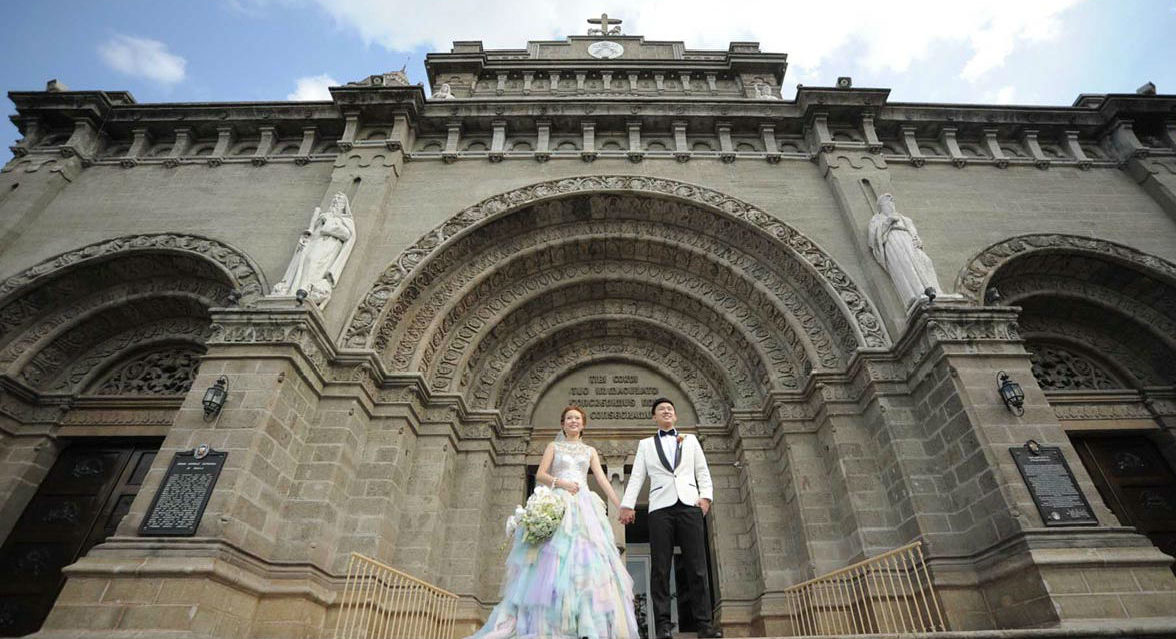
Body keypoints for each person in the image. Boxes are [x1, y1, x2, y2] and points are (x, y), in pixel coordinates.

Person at [468, 406, 639, 639]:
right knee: (553, 557)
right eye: (569, 418)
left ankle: (585, 623)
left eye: (577, 418)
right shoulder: (553, 446)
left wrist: (621, 505)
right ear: (562, 423)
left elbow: (601, 479)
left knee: (587, 559)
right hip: (559, 500)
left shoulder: (590, 451)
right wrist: (561, 483)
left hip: (585, 505)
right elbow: (541, 474)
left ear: (583, 424)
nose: (573, 421)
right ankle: (548, 623)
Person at [619, 398, 721, 639]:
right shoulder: (645, 445)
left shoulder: (691, 440)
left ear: (675, 416)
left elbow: (702, 470)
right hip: (660, 508)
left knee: (697, 567)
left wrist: (706, 497)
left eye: (669, 409)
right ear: (654, 417)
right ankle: (663, 627)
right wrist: (627, 505)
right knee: (661, 568)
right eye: (661, 409)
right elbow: (637, 476)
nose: (666, 411)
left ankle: (704, 625)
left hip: (689, 505)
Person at [272, 192, 356, 306]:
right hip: (314, 243)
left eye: (338, 201)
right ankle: (294, 289)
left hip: (327, 247)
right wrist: (306, 237)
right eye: (334, 201)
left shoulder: (345, 220)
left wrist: (328, 223)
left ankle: (305, 289)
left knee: (313, 260)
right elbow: (314, 232)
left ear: (343, 206)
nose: (335, 203)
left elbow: (347, 235)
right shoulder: (323, 216)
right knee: (303, 261)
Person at [866, 193, 944, 309]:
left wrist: (917, 240)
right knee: (905, 265)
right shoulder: (876, 219)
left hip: (907, 240)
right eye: (888, 203)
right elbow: (873, 239)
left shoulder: (903, 218)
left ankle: (932, 289)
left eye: (892, 203)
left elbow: (912, 231)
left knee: (923, 262)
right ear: (882, 206)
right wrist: (887, 222)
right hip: (892, 242)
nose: (891, 206)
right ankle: (918, 292)